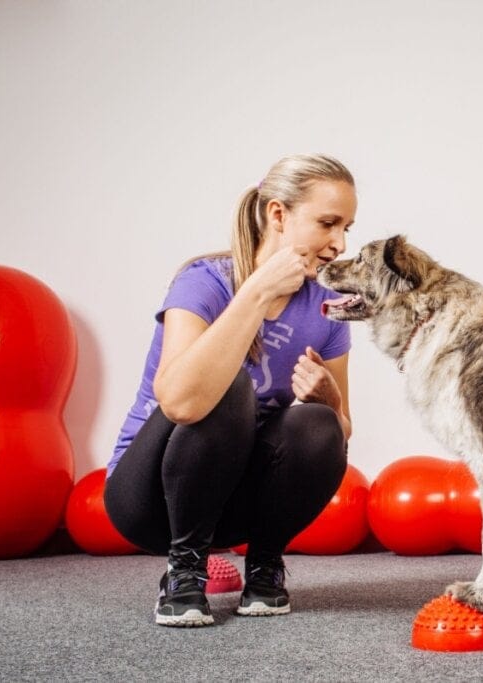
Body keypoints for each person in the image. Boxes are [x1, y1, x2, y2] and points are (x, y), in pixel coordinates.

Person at [104, 154, 357, 627]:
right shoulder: (203, 282)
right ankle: (184, 570)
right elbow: (180, 400)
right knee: (226, 385)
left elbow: (341, 432)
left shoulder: (327, 307)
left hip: (236, 504)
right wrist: (257, 293)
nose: (339, 244)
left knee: (319, 423)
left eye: (347, 228)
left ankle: (265, 565)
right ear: (278, 214)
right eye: (327, 224)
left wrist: (331, 403)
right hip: (150, 499)